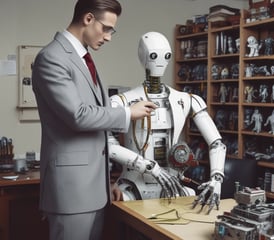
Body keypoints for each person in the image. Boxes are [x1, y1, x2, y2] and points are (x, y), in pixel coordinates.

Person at [32, 1, 156, 240]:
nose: (108, 37)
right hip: (70, 192)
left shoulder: (84, 57)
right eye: (107, 28)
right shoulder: (52, 58)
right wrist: (128, 113)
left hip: (93, 190)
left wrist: (104, 184)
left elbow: (96, 128)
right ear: (88, 19)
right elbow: (78, 116)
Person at [108, 32, 226, 214]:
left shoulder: (186, 99)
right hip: (134, 186)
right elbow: (108, 144)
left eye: (166, 56)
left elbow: (217, 143)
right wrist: (148, 166)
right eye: (154, 56)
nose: (161, 61)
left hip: (174, 186)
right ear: (144, 56)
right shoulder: (122, 101)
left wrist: (216, 179)